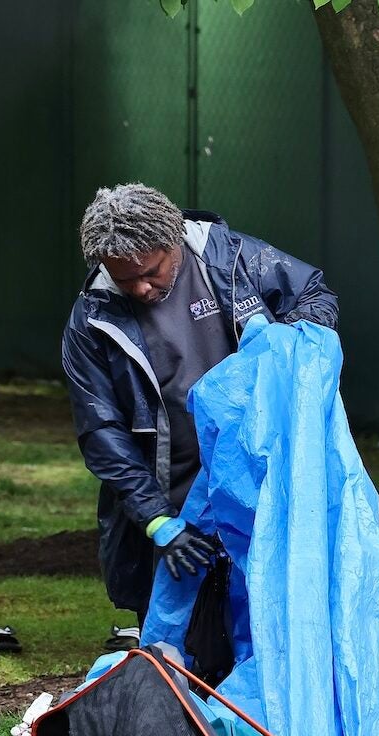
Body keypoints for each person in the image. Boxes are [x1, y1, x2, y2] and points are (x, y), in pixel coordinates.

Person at [62, 183, 339, 650]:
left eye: (150, 272)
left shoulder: (235, 260)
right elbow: (101, 432)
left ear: (173, 240)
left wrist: (280, 347)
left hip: (258, 472)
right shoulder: (92, 318)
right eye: (123, 279)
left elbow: (314, 295)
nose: (140, 288)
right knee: (174, 625)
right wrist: (156, 520)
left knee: (264, 615)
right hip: (168, 488)